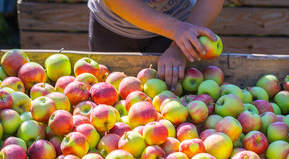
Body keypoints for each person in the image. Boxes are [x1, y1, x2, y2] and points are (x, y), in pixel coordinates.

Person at [88, 0, 224, 91]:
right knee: (107, 91)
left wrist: (179, 46)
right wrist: (175, 29)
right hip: (112, 26)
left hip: (177, 23)